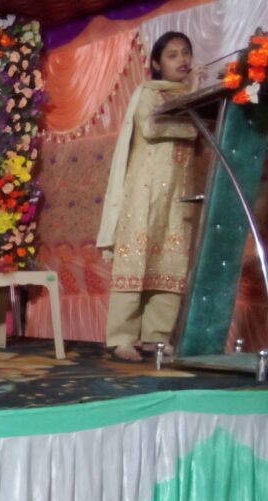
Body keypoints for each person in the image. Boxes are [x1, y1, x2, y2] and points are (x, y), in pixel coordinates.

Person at [97, 31, 204, 361]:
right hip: (144, 193)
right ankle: (122, 338)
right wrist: (193, 120)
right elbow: (152, 127)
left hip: (179, 192)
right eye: (172, 55)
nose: (182, 59)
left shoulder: (196, 97)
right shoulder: (149, 92)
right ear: (157, 63)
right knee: (137, 257)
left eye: (185, 53)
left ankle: (157, 337)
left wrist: (196, 97)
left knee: (171, 260)